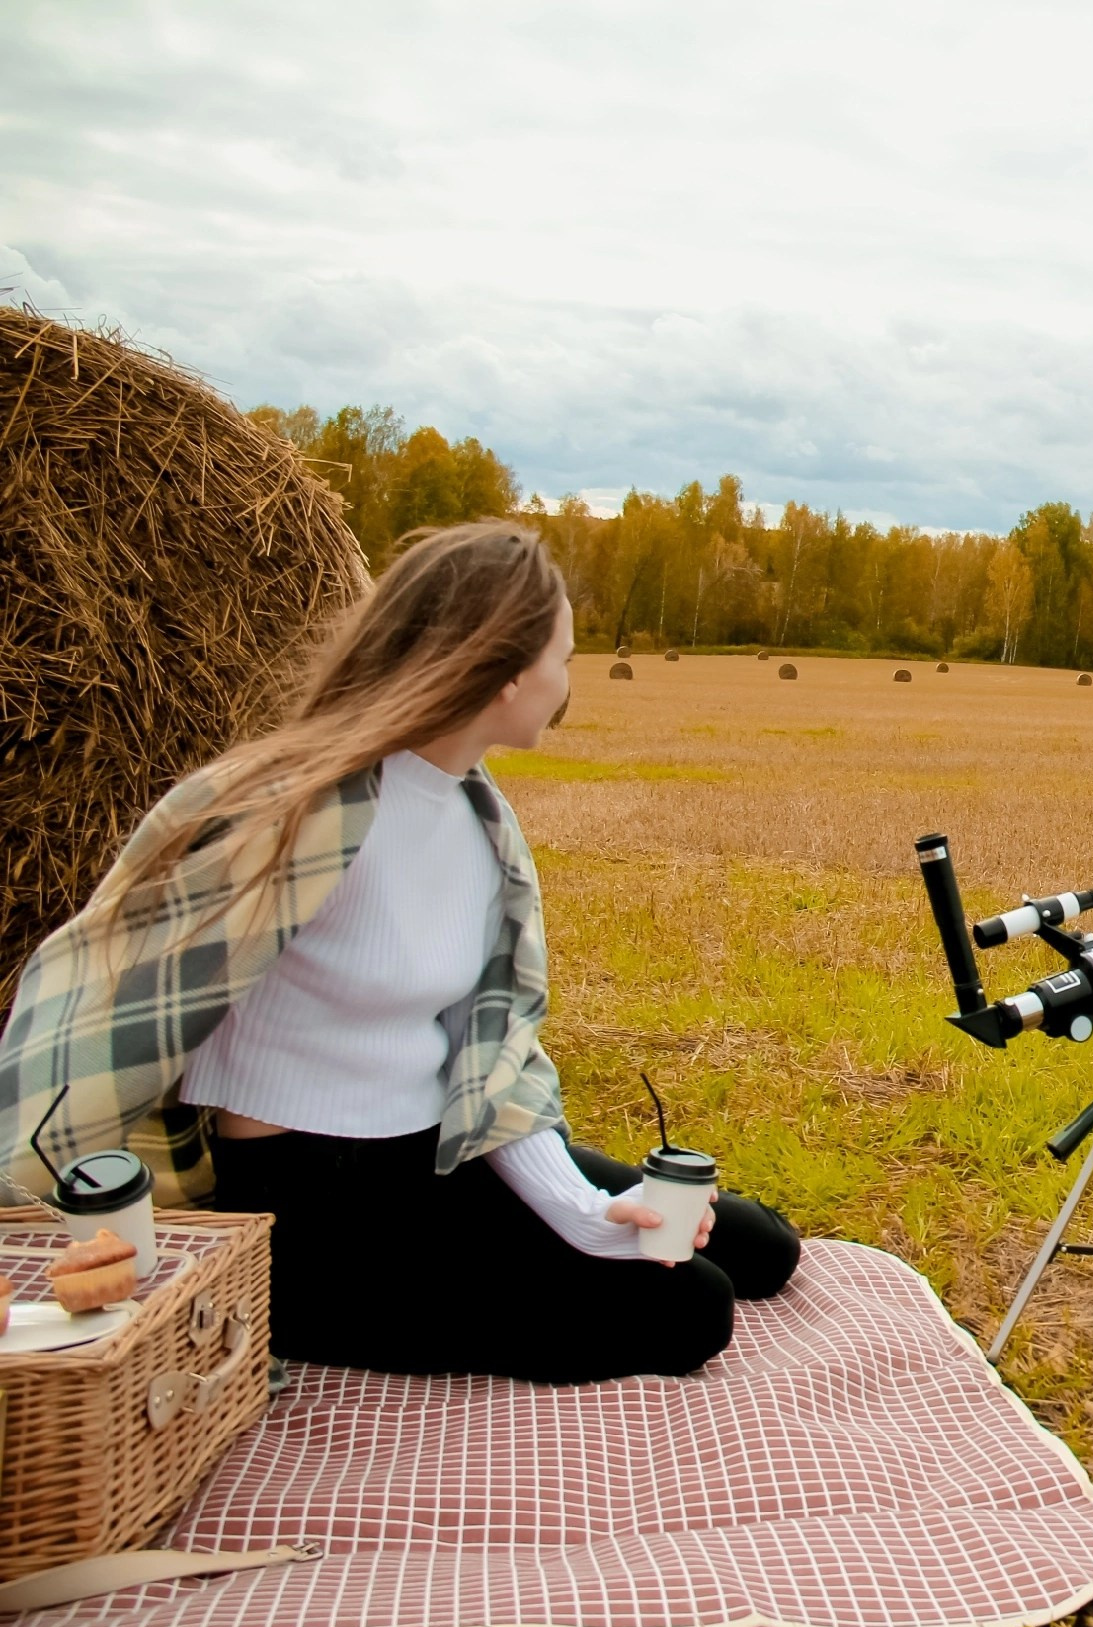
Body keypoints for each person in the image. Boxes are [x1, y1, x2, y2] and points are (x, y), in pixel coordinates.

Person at [0, 522, 798, 1384]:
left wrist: (582, 1210)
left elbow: (487, 1048)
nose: (572, 680)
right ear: (506, 676)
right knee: (691, 1306)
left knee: (759, 1248)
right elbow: (101, 993)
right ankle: (295, 1307)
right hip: (310, 1196)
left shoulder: (477, 818)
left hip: (436, 1140)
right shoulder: (284, 813)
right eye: (565, 656)